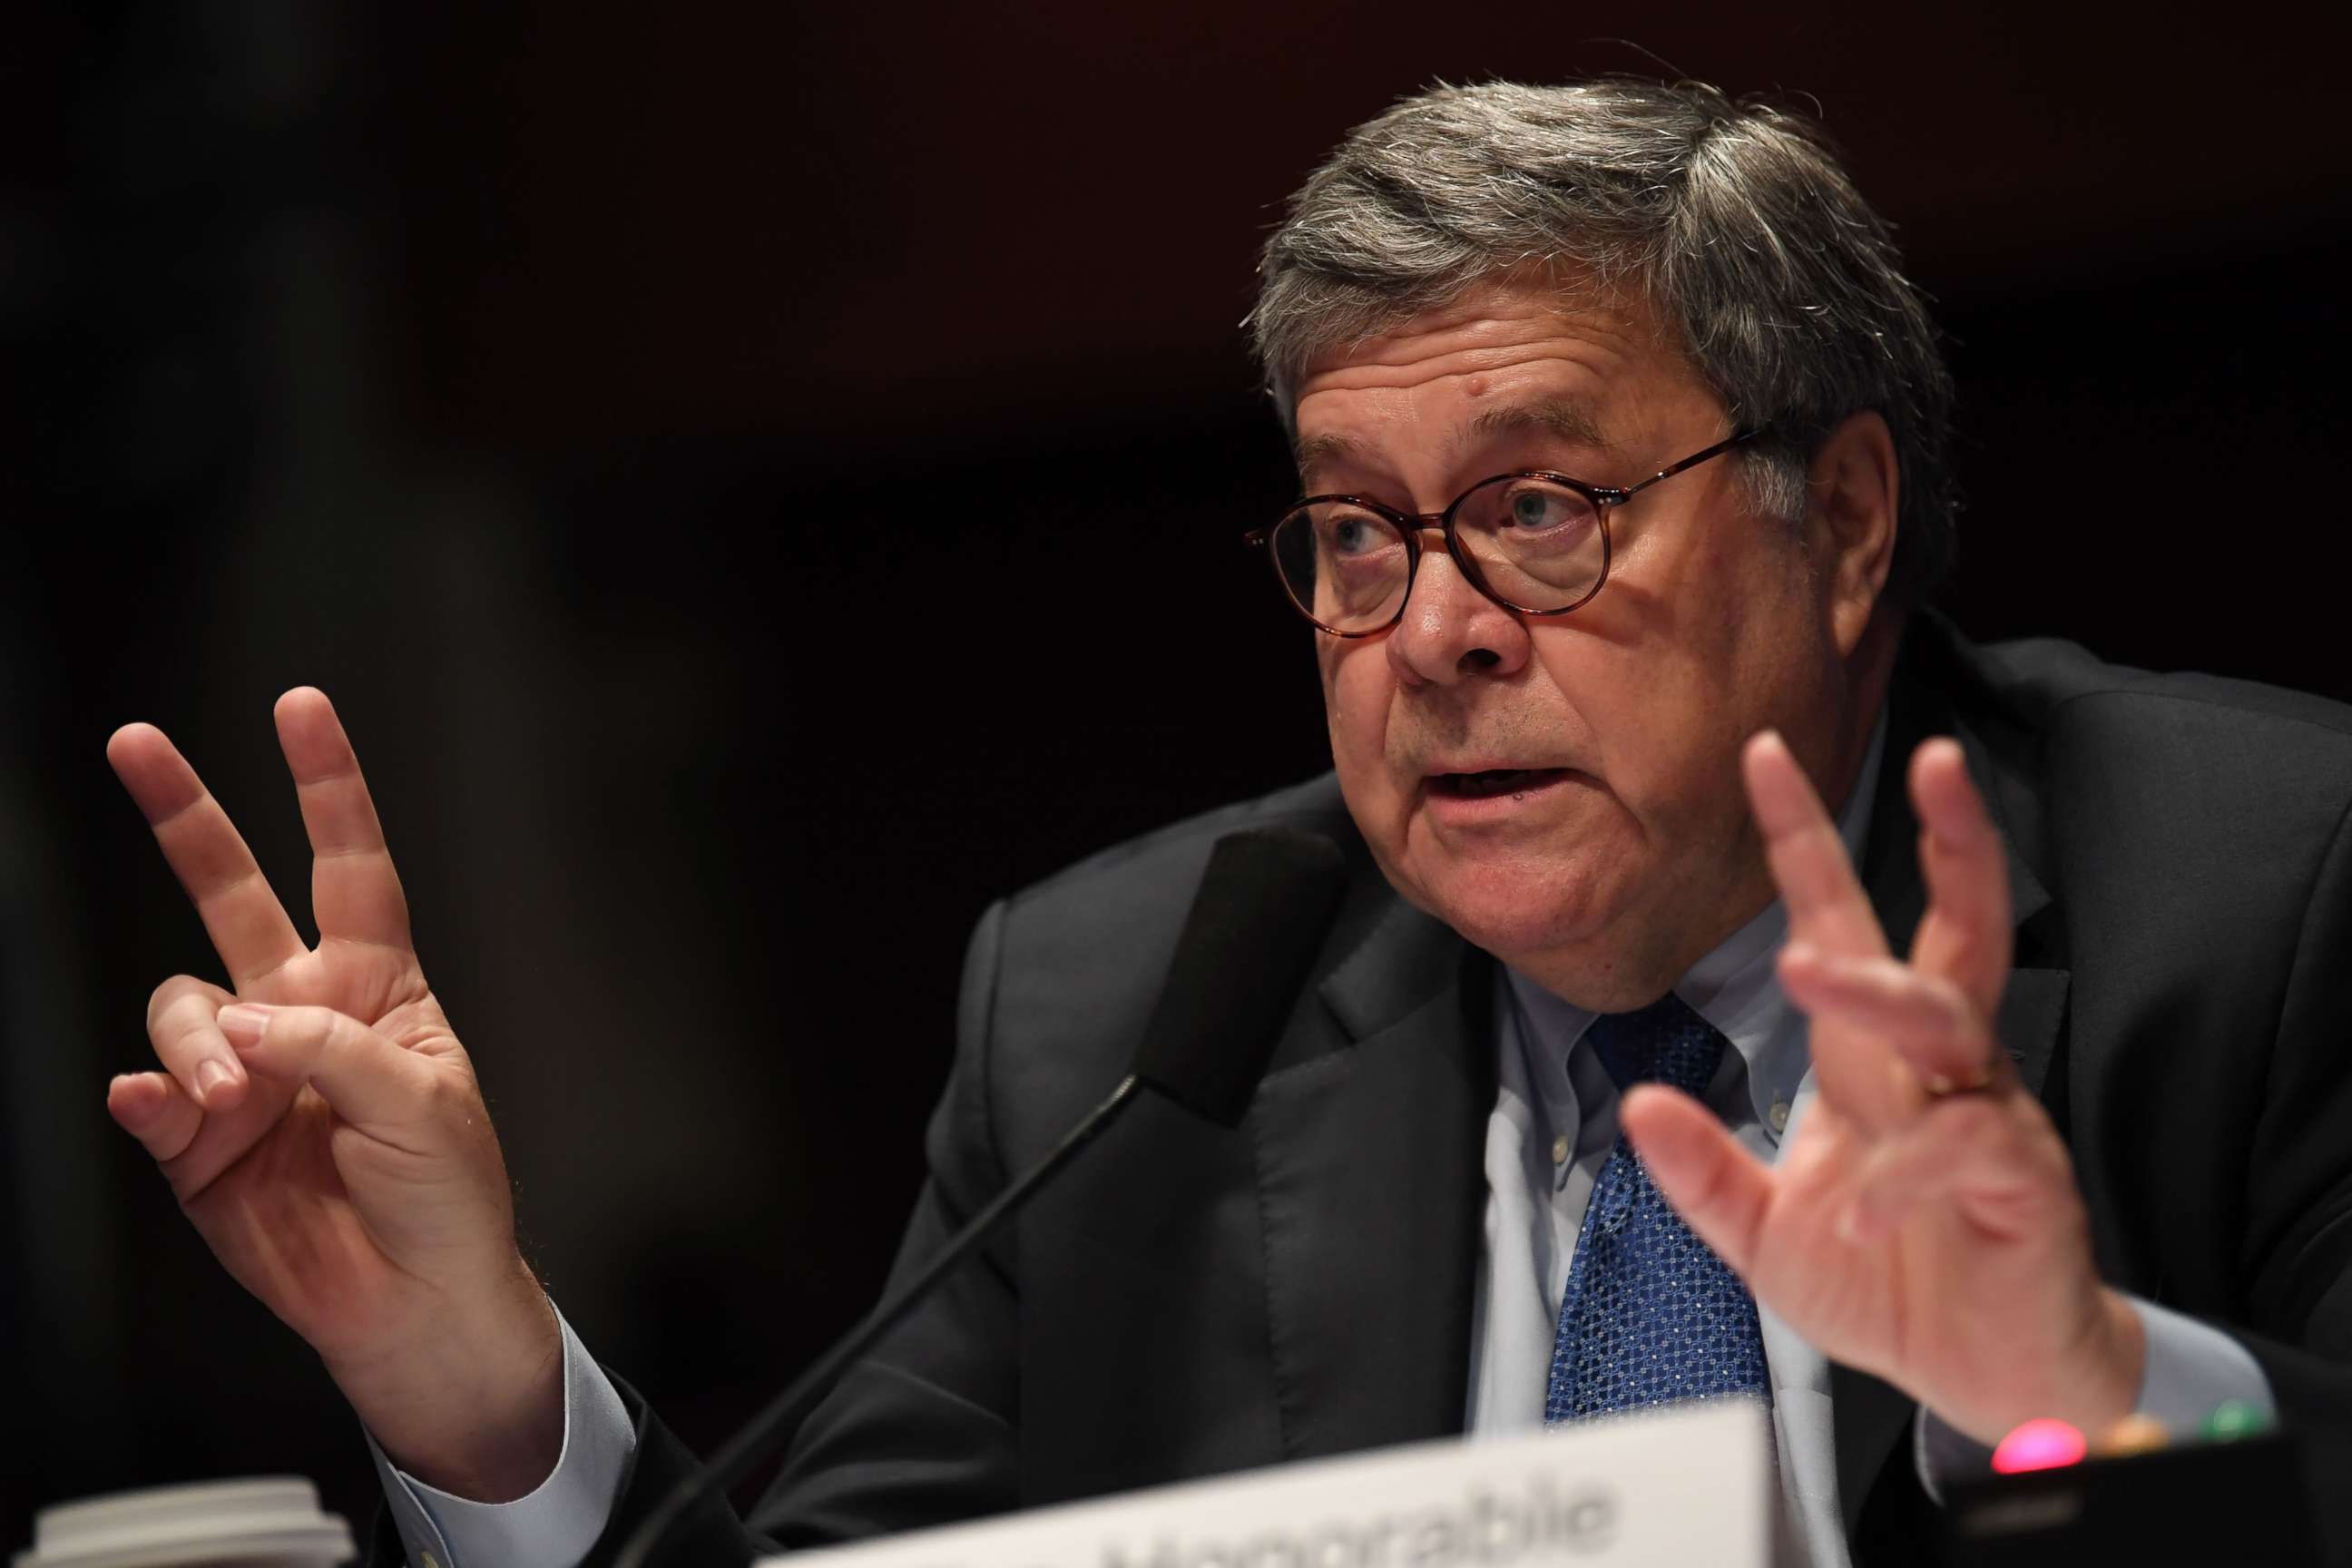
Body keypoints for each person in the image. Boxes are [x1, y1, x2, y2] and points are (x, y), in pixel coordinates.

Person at [101, 80, 2352, 1568]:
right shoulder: (1133, 1011)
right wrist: (474, 1385)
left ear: (1842, 519)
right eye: (1356, 537)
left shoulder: (2264, 890)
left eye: (1540, 512)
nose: (1433, 631)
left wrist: (2082, 1398)